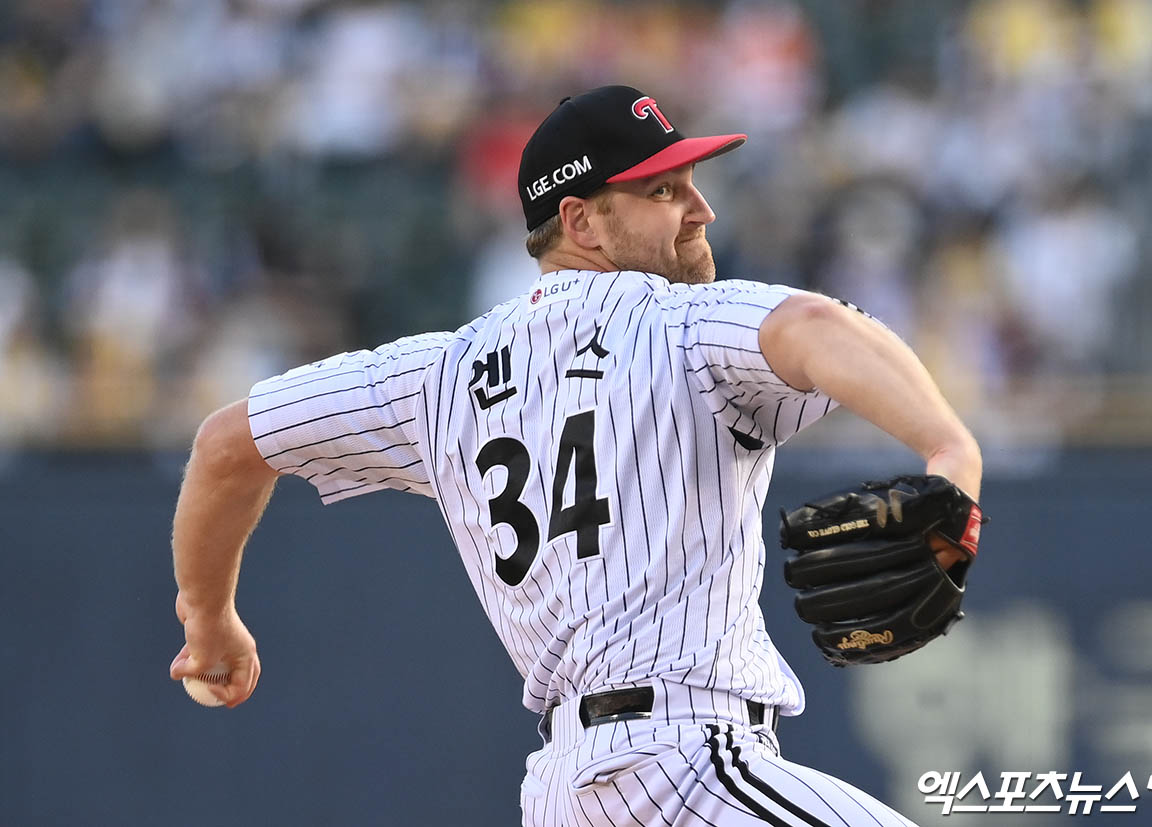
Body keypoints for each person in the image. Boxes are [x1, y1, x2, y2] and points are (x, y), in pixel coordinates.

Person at [170, 85, 981, 826]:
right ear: (581, 220)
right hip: (686, 770)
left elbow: (226, 445)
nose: (699, 209)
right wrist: (950, 452)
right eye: (662, 190)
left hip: (565, 790)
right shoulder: (680, 325)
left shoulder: (438, 374)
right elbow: (816, 328)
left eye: (692, 181)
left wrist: (208, 620)